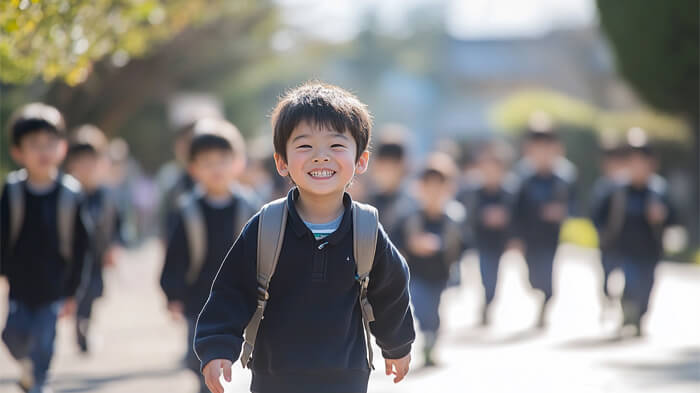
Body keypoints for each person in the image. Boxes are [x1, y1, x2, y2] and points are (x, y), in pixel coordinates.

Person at [195, 82, 415, 393]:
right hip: (275, 376)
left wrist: (397, 344)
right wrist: (217, 347)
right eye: (304, 146)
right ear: (281, 162)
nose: (320, 157)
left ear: (361, 161)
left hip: (346, 377)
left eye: (336, 146)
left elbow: (390, 290)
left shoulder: (366, 228)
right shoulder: (267, 226)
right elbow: (231, 291)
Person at [160, 118, 258, 393]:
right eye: (207, 162)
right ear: (193, 169)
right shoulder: (187, 209)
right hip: (199, 297)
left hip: (242, 297)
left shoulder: (251, 206)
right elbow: (175, 255)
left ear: (238, 162)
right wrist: (173, 294)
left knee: (238, 356)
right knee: (198, 357)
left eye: (223, 160)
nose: (216, 168)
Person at [1, 103, 88, 393]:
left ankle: (38, 382)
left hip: (55, 283)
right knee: (13, 336)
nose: (44, 151)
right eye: (34, 144)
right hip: (20, 283)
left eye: (50, 143)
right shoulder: (12, 190)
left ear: (62, 148)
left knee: (45, 338)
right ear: (18, 152)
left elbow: (81, 247)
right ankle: (26, 367)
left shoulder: (70, 193)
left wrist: (74, 289)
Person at [591, 128, 674, 336]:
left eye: (642, 161)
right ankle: (627, 312)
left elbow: (675, 217)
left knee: (646, 288)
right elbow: (598, 214)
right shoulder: (615, 189)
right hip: (623, 249)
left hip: (650, 250)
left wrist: (662, 216)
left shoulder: (658, 190)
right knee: (629, 284)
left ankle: (639, 317)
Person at [392, 152, 467, 367]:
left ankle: (431, 342)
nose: (434, 192)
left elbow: (465, 245)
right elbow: (394, 241)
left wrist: (443, 247)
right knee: (421, 307)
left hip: (442, 275)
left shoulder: (454, 217)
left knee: (435, 312)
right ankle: (427, 337)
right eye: (428, 186)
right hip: (416, 274)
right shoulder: (410, 217)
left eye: (439, 186)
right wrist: (412, 244)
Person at [64, 125, 124, 354]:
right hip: (72, 256)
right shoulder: (68, 193)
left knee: (94, 291)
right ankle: (79, 322)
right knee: (79, 289)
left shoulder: (106, 194)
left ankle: (84, 323)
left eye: (92, 161)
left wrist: (115, 247)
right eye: (82, 161)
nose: (87, 167)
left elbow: (117, 224)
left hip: (98, 254)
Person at [511, 126, 577, 328]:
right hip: (529, 235)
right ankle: (540, 294)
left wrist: (562, 212)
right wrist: (515, 236)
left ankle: (546, 303)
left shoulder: (565, 177)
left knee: (547, 271)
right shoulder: (523, 177)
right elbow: (515, 208)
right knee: (531, 276)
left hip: (550, 236)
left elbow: (575, 205)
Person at [459, 141, 516, 325]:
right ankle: (485, 305)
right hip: (481, 243)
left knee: (495, 279)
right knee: (485, 276)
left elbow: (517, 216)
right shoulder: (474, 192)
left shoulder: (509, 192)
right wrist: (483, 217)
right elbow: (466, 216)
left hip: (499, 243)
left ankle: (488, 303)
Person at [364, 126, 416, 235]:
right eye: (383, 164)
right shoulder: (366, 200)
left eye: (392, 165)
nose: (386, 171)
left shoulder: (414, 204)